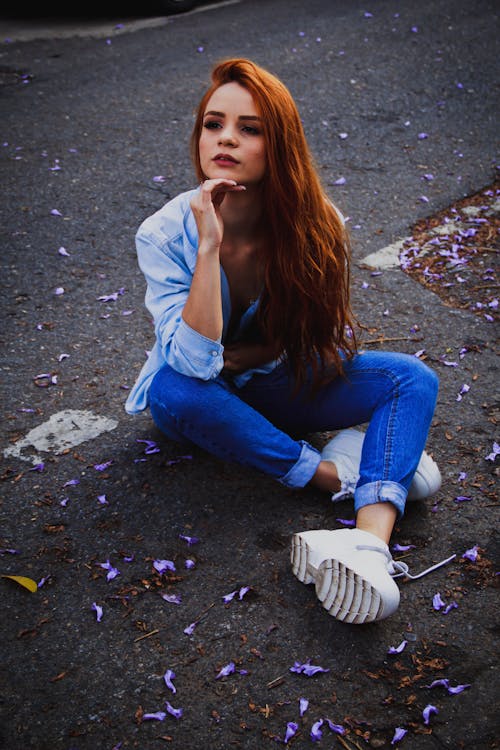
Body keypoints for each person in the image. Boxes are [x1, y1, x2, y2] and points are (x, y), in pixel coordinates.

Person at [125, 58, 447, 624]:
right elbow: (195, 366)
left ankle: (368, 545)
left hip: (270, 386)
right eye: (213, 123)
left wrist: (259, 354)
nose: (225, 138)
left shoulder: (317, 220)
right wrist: (208, 247)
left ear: (281, 144)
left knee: (409, 376)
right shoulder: (162, 232)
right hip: (200, 403)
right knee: (170, 389)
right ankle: (339, 474)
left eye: (250, 128)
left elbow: (323, 340)